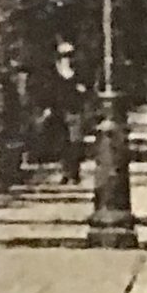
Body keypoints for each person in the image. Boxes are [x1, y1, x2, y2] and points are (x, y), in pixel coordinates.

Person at [51, 40, 86, 185]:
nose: (67, 58)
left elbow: (85, 88)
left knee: (75, 142)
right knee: (62, 143)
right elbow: (50, 91)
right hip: (59, 112)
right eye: (64, 55)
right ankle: (65, 173)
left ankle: (75, 172)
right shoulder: (54, 72)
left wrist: (81, 90)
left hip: (74, 111)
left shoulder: (78, 72)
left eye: (69, 55)